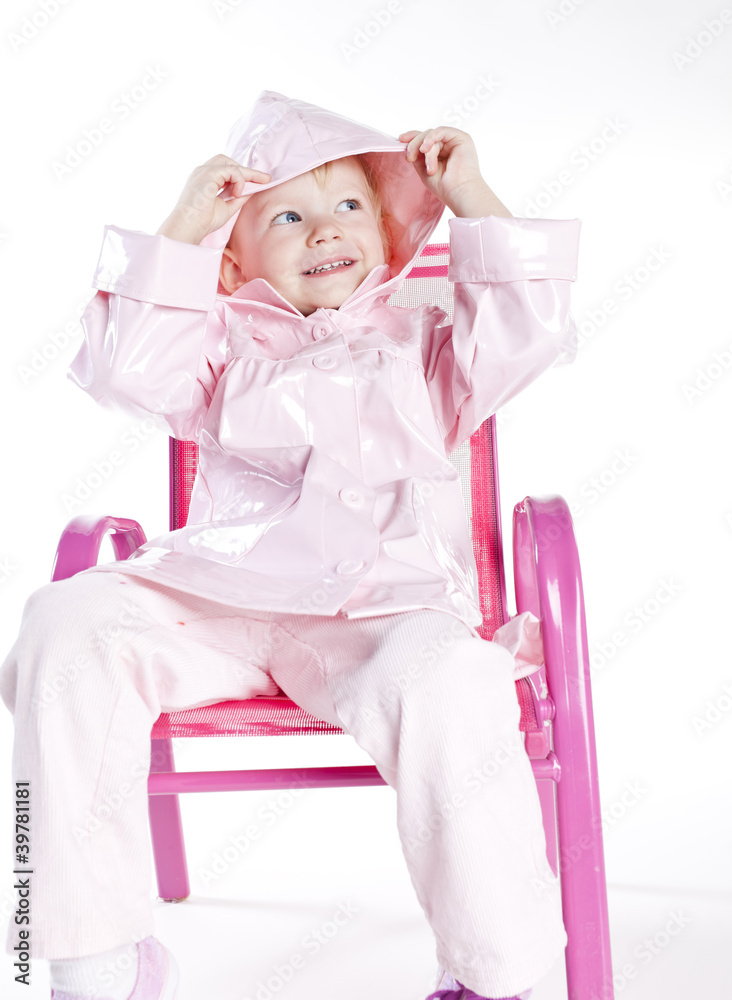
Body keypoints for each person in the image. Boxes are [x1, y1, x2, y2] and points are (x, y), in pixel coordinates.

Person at [0, 91, 581, 1000]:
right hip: (219, 597)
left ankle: (493, 973)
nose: (325, 230)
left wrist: (469, 191)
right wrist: (188, 226)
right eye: (287, 215)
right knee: (64, 623)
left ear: (390, 237)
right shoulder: (219, 342)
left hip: (383, 613)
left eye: (351, 206)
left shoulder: (432, 347)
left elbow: (531, 328)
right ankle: (94, 958)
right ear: (235, 258)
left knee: (458, 684)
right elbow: (123, 369)